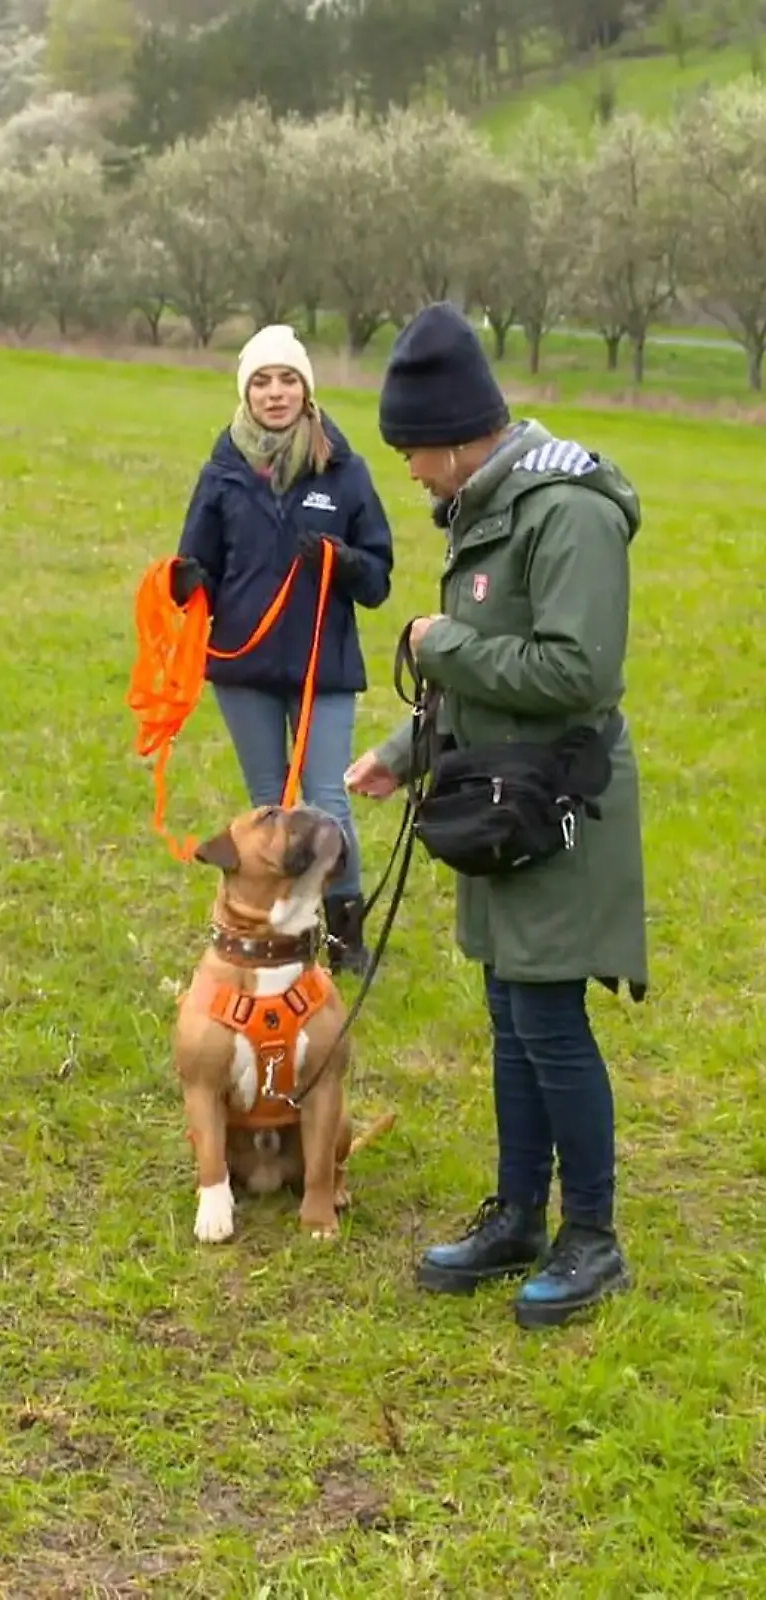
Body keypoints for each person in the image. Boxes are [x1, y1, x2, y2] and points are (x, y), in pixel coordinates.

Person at [346, 301, 648, 1329]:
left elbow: (576, 669)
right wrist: (400, 754)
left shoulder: (567, 511)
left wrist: (439, 646)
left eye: (413, 452)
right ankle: (518, 1214)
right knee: (512, 1016)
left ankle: (593, 1238)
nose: (412, 474)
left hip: (561, 798)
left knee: (551, 1020)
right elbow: (475, 671)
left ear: (457, 432)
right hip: (496, 798)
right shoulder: (488, 504)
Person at [173, 324, 394, 975]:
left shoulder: (344, 473)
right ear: (246, 392)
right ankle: (281, 931)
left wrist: (341, 560)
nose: (275, 393)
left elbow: (378, 578)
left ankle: (343, 936)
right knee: (271, 806)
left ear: (306, 389)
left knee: (325, 799)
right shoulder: (222, 471)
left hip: (321, 669)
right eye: (262, 381)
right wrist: (185, 582)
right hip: (243, 666)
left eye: (288, 379)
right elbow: (199, 567)